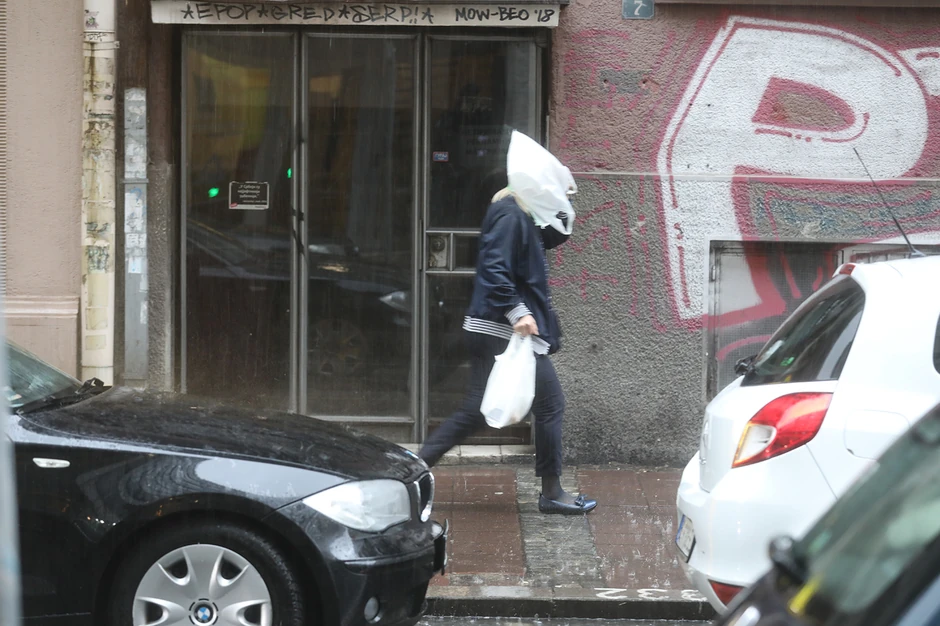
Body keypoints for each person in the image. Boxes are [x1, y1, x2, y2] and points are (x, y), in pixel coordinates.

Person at [419, 132, 598, 515]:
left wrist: (561, 209)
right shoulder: (510, 215)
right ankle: (551, 493)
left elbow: (553, 237)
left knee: (475, 412)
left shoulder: (519, 216)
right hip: (502, 330)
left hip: (494, 329)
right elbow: (494, 269)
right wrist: (519, 312)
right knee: (549, 405)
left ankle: (413, 470)